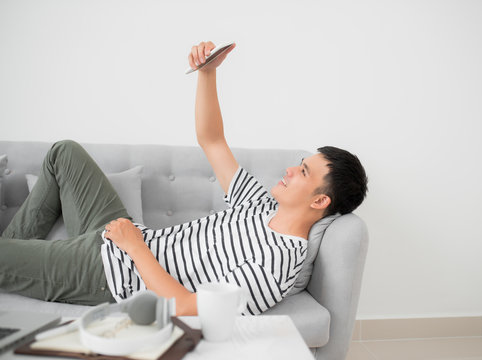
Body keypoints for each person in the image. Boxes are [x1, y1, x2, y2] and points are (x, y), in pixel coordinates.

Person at [0, 41, 368, 316]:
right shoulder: (258, 204)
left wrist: (134, 247)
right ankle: (16, 257)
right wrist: (208, 73)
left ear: (320, 201)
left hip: (108, 273)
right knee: (64, 152)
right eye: (299, 163)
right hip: (123, 235)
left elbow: (189, 307)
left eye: (303, 172)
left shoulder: (278, 263)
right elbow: (212, 140)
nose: (290, 169)